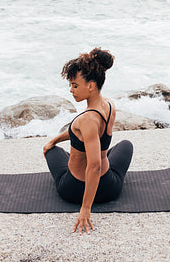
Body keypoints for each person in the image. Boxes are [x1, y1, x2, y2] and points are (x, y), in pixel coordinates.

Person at [43, 48, 133, 235]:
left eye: (75, 85)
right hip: (109, 187)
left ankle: (84, 200)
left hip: (74, 190)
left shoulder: (87, 120)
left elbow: (94, 166)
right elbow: (80, 134)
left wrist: (85, 209)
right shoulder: (109, 105)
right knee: (126, 145)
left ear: (90, 86)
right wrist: (55, 139)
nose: (71, 90)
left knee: (52, 152)